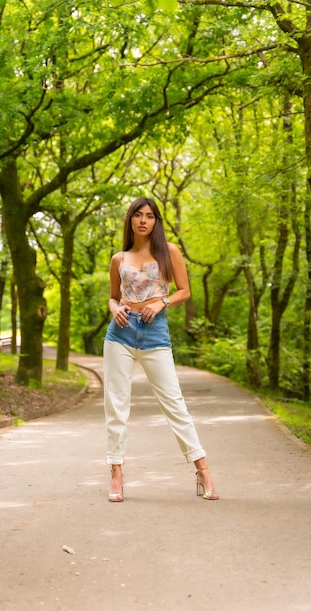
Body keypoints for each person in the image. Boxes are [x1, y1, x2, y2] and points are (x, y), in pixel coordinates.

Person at [103, 197, 219, 503]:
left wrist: (162, 301)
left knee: (174, 403)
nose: (144, 220)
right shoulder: (119, 258)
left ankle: (202, 469)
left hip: (155, 332)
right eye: (138, 215)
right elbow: (113, 297)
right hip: (121, 332)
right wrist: (114, 309)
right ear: (130, 220)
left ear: (156, 221)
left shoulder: (169, 252)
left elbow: (184, 290)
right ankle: (116, 472)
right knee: (116, 404)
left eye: (150, 216)